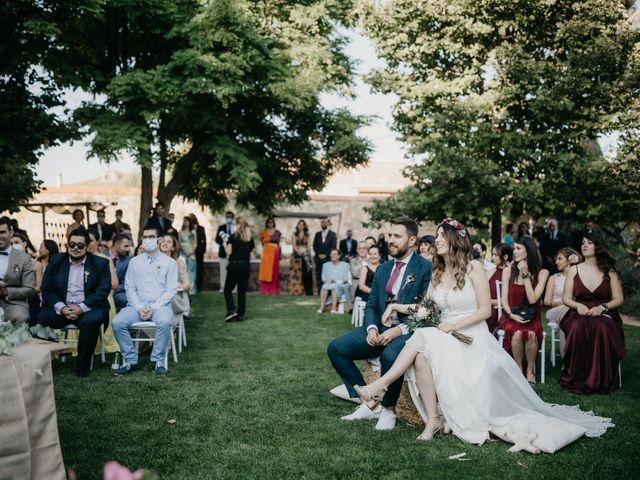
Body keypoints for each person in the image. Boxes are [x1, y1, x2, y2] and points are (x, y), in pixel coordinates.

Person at [354, 218, 613, 452]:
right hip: (443, 333)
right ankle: (431, 420)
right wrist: (395, 306)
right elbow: (426, 308)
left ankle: (379, 387)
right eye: (437, 237)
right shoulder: (436, 271)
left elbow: (485, 310)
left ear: (455, 240)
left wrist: (455, 326)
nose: (438, 241)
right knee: (421, 354)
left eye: (442, 237)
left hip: (471, 334)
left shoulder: (474, 268)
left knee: (421, 340)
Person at [327, 217, 431, 431]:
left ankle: (389, 409)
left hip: (407, 331)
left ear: (412, 241)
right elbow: (373, 304)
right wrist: (372, 328)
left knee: (390, 356)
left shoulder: (425, 267)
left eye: (397, 236)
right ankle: (367, 401)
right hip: (380, 328)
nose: (390, 240)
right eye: (390, 235)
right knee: (336, 349)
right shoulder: (383, 269)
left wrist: (398, 330)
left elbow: (426, 309)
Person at [37, 228, 111, 376]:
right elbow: (47, 288)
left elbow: (103, 290)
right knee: (41, 318)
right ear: (67, 245)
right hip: (62, 307)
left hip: (90, 307)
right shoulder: (56, 260)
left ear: (88, 246)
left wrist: (81, 308)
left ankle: (82, 367)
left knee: (90, 322)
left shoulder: (100, 263)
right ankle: (44, 364)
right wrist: (62, 308)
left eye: (80, 245)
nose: (75, 249)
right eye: (72, 245)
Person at [560, 233, 625, 394]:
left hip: (603, 311)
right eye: (583, 242)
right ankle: (574, 376)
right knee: (577, 326)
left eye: (589, 242)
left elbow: (618, 299)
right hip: (579, 311)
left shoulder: (609, 271)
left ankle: (600, 379)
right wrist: (577, 305)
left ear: (598, 246)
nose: (584, 245)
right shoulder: (574, 270)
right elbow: (566, 298)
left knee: (602, 326)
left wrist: (603, 308)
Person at [112, 226, 178, 376]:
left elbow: (171, 290)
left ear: (159, 239)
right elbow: (129, 288)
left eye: (151, 236)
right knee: (117, 323)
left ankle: (157, 360)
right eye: (145, 237)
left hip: (160, 305)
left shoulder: (170, 263)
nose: (148, 240)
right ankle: (130, 360)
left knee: (165, 322)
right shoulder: (134, 262)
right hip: (136, 305)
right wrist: (139, 307)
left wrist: (153, 308)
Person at [500, 236, 550, 384]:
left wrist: (526, 275)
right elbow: (504, 299)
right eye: (514, 248)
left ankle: (530, 370)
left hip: (531, 317)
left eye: (518, 248)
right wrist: (511, 315)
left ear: (529, 251)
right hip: (510, 316)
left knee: (531, 334)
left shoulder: (542, 273)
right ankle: (517, 368)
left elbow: (533, 299)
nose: (514, 251)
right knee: (517, 333)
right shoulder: (508, 271)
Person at [543, 247, 580, 355]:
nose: (556, 262)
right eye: (556, 259)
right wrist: (567, 302)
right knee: (569, 312)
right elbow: (547, 302)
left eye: (559, 259)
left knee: (570, 320)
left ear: (569, 260)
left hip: (572, 314)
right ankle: (568, 361)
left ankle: (573, 359)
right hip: (554, 312)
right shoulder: (554, 278)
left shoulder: (578, 278)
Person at [0, 217, 36, 324]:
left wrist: (6, 291)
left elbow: (30, 290)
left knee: (20, 317)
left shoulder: (24, 258)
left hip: (13, 303)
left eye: (2, 232)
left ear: (11, 233)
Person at [223, 217, 255, 322]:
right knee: (242, 291)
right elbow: (249, 251)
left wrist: (224, 242)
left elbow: (228, 252)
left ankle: (231, 310)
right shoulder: (250, 239)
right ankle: (240, 314)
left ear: (237, 225)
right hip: (245, 266)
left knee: (227, 289)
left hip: (235, 266)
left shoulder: (232, 237)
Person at [486, 243, 512, 335]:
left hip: (507, 310)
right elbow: (482, 295)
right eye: (492, 254)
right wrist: (495, 302)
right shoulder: (489, 273)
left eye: (496, 255)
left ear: (505, 256)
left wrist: (499, 303)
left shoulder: (512, 273)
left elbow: (513, 296)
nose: (492, 258)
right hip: (489, 310)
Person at [317, 249, 351, 314]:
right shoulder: (325, 265)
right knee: (324, 287)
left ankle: (333, 308)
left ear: (339, 256)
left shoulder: (345, 265)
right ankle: (321, 307)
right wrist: (329, 280)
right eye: (331, 254)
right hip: (328, 284)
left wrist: (337, 281)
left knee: (334, 288)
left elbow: (346, 278)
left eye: (335, 254)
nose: (333, 256)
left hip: (340, 284)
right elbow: (323, 278)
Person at [288, 219, 313, 296]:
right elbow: (294, 244)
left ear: (304, 226)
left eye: (302, 224)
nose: (301, 226)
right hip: (296, 256)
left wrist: (305, 252)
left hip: (305, 255)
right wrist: (299, 252)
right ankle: (296, 291)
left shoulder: (307, 235)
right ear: (297, 226)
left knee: (306, 273)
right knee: (296, 273)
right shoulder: (294, 234)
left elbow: (308, 245)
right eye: (299, 224)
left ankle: (306, 290)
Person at [258, 217, 282, 295]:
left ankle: (273, 290)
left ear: (273, 223)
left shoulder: (277, 232)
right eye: (268, 222)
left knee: (274, 271)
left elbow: (278, 244)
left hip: (275, 252)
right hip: (266, 253)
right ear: (266, 223)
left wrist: (280, 254)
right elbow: (262, 243)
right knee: (265, 271)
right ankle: (265, 290)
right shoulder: (263, 232)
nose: (270, 223)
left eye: (271, 222)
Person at [313, 218, 337, 292]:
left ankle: (328, 290)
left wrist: (326, 255)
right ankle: (319, 291)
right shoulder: (317, 234)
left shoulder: (332, 234)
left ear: (328, 224)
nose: (323, 224)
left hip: (328, 259)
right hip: (318, 259)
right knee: (319, 275)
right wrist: (318, 254)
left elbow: (333, 246)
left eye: (324, 222)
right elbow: (314, 245)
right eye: (322, 222)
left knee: (328, 275)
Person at [110, 234, 132, 311]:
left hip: (118, 292)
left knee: (126, 299)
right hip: (102, 291)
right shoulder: (102, 256)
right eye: (125, 246)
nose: (128, 249)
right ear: (117, 245)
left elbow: (125, 282)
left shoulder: (127, 261)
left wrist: (114, 290)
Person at [216, 211, 235, 292]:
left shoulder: (235, 227)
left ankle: (233, 288)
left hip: (234, 253)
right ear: (225, 217)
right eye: (227, 217)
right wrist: (224, 244)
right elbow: (217, 239)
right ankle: (223, 287)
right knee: (223, 270)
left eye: (230, 216)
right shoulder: (221, 227)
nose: (229, 218)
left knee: (233, 271)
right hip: (223, 253)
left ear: (233, 218)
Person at [179, 216, 197, 294]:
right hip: (183, 253)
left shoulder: (193, 232)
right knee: (183, 270)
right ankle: (184, 287)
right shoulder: (180, 232)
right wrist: (185, 252)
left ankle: (191, 289)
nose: (186, 223)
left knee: (191, 271)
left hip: (191, 253)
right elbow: (179, 243)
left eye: (187, 221)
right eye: (184, 221)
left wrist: (191, 252)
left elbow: (195, 243)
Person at [189, 213, 207, 292]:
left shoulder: (201, 228)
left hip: (199, 252)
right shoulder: (188, 229)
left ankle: (199, 287)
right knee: (191, 269)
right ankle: (191, 286)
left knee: (199, 269)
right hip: (190, 252)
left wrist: (203, 251)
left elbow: (204, 240)